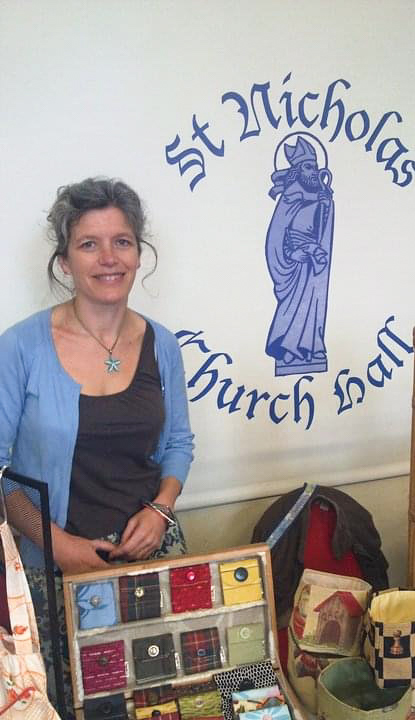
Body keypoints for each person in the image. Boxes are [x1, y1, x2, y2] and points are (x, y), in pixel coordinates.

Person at [0, 177, 194, 717]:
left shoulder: (162, 344)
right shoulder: (20, 347)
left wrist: (160, 510)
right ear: (65, 261)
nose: (109, 258)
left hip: (149, 556)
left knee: (169, 695)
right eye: (89, 244)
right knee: (82, 703)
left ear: (139, 253)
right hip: (53, 570)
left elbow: (179, 443)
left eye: (122, 241)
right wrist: (57, 544)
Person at [265, 136, 335, 376]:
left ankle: (311, 346)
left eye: (315, 166)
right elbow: (277, 234)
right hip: (295, 260)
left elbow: (322, 227)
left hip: (314, 260)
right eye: (307, 166)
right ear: (296, 171)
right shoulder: (291, 195)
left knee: (315, 301)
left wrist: (327, 205)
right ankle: (287, 346)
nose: (313, 171)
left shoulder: (320, 194)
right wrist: (292, 253)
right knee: (294, 304)